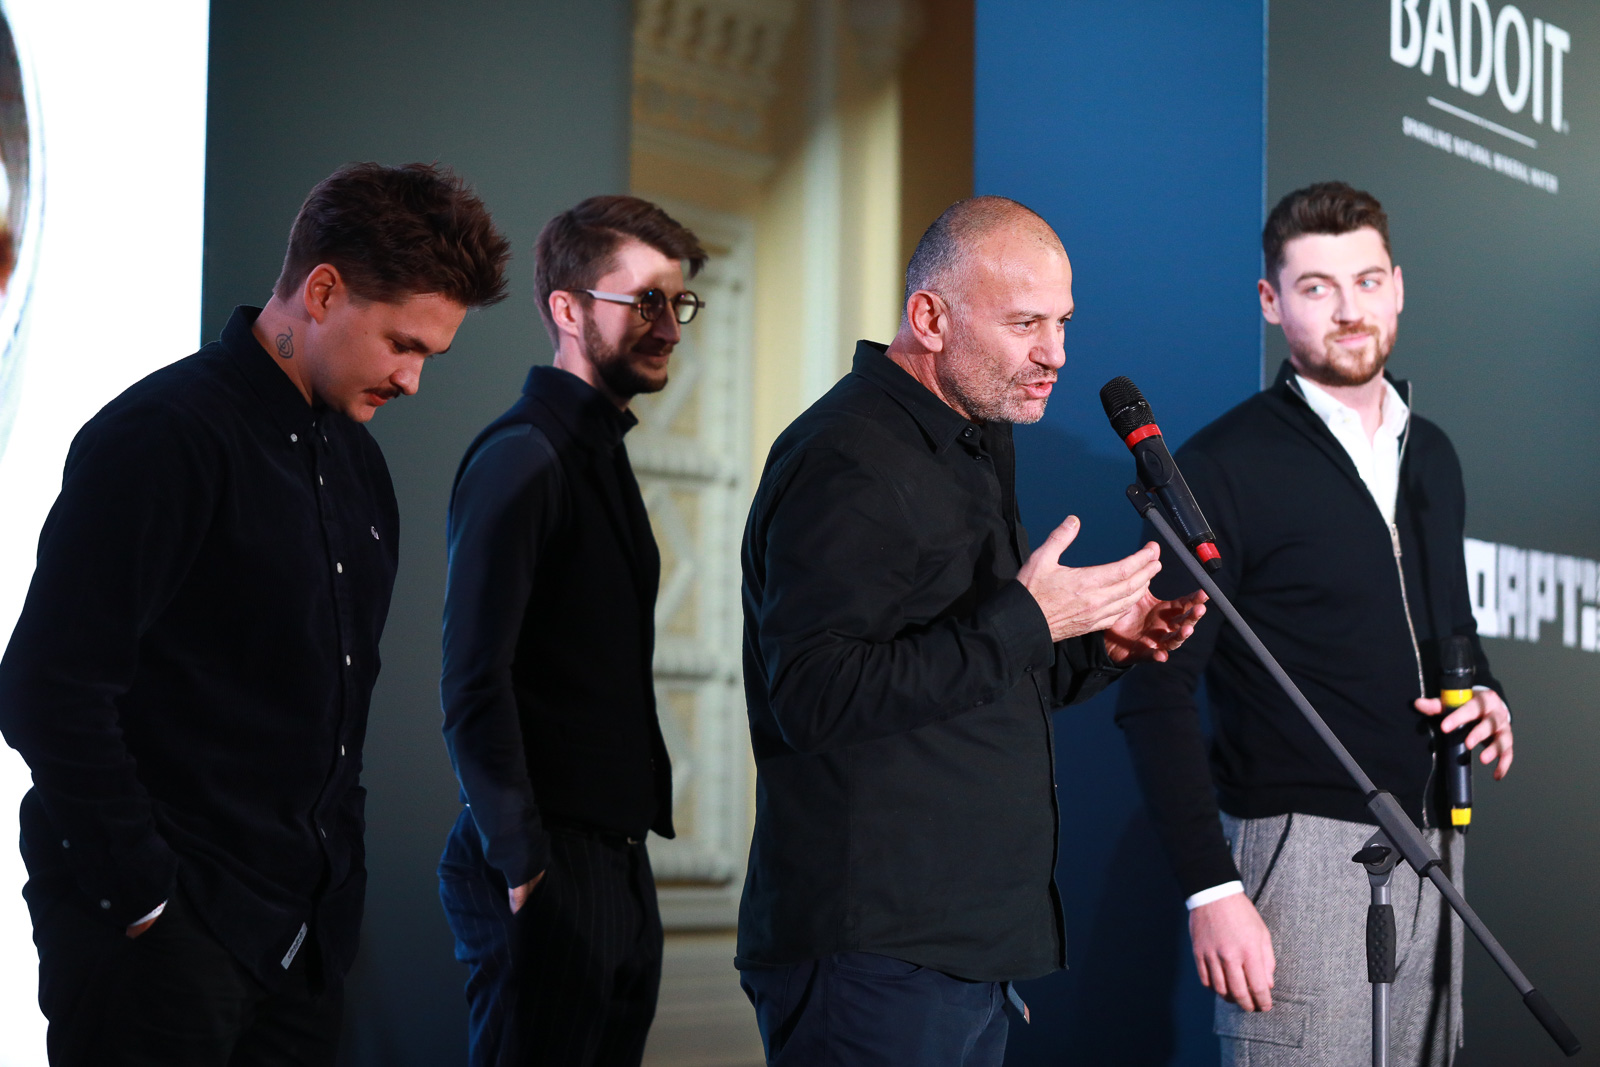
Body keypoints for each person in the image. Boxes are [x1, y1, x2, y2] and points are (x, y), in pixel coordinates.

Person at [0, 162, 510, 1066]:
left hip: (303, 951)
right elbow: (48, 688)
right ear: (323, 291)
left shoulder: (362, 469)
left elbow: (335, 719)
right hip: (159, 946)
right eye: (403, 344)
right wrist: (145, 899)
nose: (412, 380)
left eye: (429, 355)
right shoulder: (164, 433)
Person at [735, 196, 1208, 1065]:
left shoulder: (974, 443)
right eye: (1026, 323)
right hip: (875, 952)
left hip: (968, 952)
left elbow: (977, 678)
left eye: (1063, 322)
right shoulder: (846, 455)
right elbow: (812, 693)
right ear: (930, 318)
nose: (1055, 353)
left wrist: (1099, 642)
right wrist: (1029, 618)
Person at [1116, 181, 1515, 1066]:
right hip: (1301, 856)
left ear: (1398, 287)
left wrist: (1486, 693)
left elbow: (1452, 629)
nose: (1349, 310)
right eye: (1316, 287)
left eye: (1367, 281)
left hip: (1441, 848)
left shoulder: (1433, 453)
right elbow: (1153, 690)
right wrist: (1211, 887)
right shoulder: (1221, 466)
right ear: (1271, 301)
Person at [437, 195, 707, 1067]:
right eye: (647, 301)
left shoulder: (597, 451)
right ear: (567, 307)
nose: (669, 326)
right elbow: (472, 680)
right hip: (548, 856)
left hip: (613, 857)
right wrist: (523, 860)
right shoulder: (523, 453)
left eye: (679, 303)